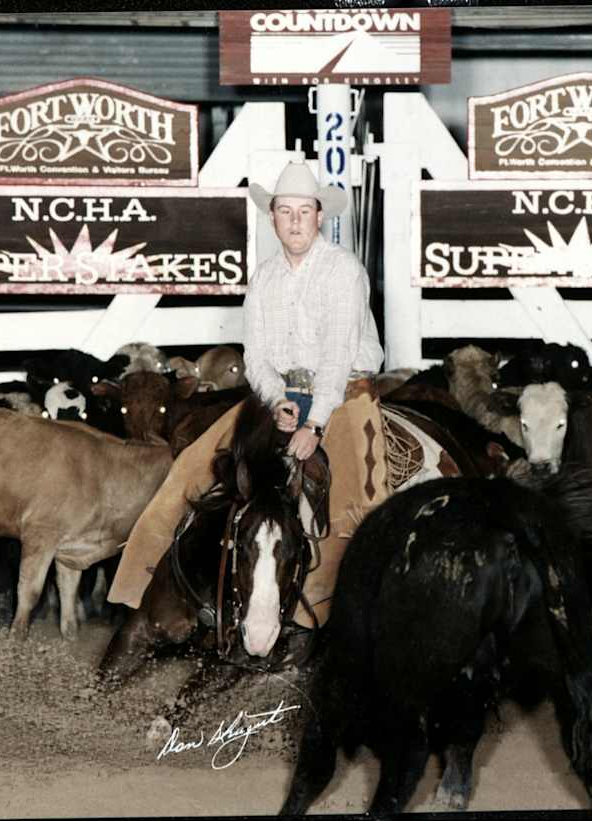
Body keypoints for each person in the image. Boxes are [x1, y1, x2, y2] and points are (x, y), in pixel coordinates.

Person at [106, 162, 387, 640]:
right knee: (192, 466)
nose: (295, 221)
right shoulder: (265, 279)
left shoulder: (343, 271)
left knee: (353, 503)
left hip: (343, 392)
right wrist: (275, 401)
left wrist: (315, 424)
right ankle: (152, 593)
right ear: (272, 217)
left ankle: (328, 624)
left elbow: (339, 355)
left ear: (320, 216)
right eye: (285, 211)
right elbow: (255, 357)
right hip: (280, 393)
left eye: (304, 211)